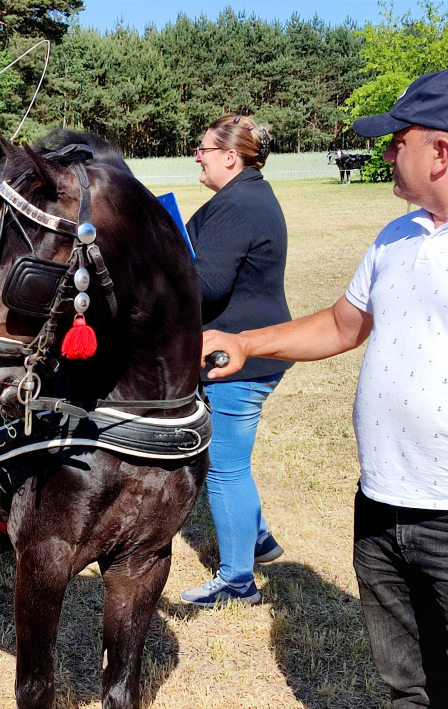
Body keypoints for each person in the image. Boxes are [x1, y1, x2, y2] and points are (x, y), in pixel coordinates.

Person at [203, 67, 448, 706]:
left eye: (396, 141)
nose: (385, 153)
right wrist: (246, 343)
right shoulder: (398, 235)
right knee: (407, 688)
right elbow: (344, 325)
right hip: (380, 505)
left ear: (440, 151)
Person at [180, 114, 293, 608]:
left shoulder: (238, 206)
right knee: (226, 460)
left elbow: (206, 286)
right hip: (246, 348)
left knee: (224, 468)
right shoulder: (243, 196)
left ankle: (237, 579)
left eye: (203, 148)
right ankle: (260, 539)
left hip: (238, 359)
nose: (197, 156)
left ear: (230, 157)